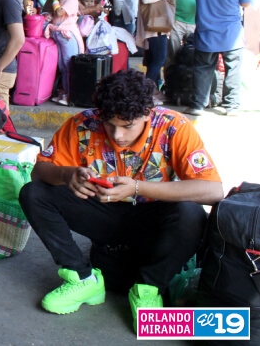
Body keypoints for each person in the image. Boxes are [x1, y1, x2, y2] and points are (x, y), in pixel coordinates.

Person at [18, 70, 223, 330]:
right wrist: (66, 173)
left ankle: (148, 291)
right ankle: (83, 279)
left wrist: (137, 188)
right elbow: (38, 173)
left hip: (154, 221)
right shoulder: (83, 124)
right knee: (33, 193)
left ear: (148, 112)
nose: (117, 135)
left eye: (127, 126)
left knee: (192, 215)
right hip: (102, 212)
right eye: (109, 123)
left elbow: (213, 190)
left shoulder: (175, 127)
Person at [184, 0, 254, 117]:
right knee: (233, 69)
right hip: (232, 34)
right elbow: (245, 2)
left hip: (206, 34)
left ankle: (198, 105)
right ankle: (231, 106)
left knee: (202, 69)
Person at [45, 0, 87, 105]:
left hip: (67, 36)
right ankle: (65, 92)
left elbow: (60, 12)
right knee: (63, 66)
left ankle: (71, 94)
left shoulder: (72, 0)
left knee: (69, 65)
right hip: (60, 35)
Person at [136, 0, 174, 85]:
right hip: (156, 27)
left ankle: (152, 90)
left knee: (154, 60)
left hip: (156, 26)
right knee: (158, 60)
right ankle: (148, 90)